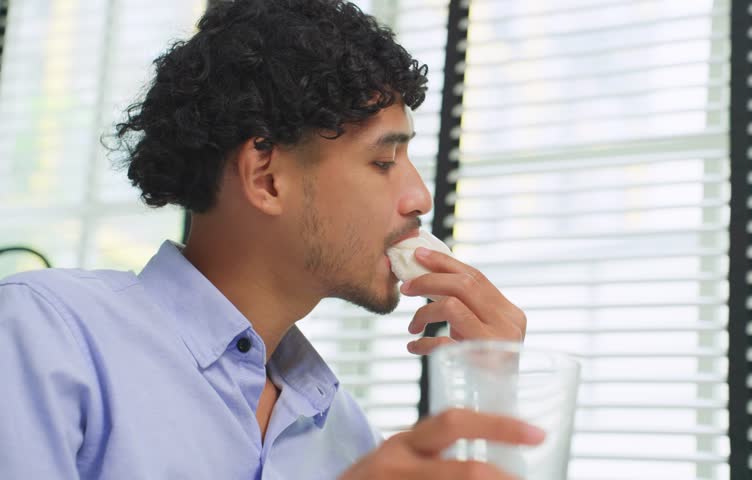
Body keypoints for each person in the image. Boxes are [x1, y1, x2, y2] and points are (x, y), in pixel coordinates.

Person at [0, 0, 539, 478]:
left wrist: (489, 395)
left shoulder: (343, 433)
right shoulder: (43, 335)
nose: (420, 197)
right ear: (266, 178)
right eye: (382, 161)